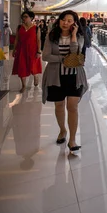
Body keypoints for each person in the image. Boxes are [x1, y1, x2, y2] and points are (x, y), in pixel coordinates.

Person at [42, 10, 89, 152]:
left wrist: (73, 36)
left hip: (74, 77)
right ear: (59, 21)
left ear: (74, 23)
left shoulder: (79, 36)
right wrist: (63, 59)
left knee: (73, 107)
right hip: (56, 76)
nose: (65, 23)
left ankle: (72, 140)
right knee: (59, 106)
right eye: (63, 19)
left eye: (69, 20)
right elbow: (45, 56)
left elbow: (75, 54)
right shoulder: (52, 36)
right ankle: (63, 130)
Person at [12, 10, 42, 93]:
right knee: (22, 67)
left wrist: (39, 51)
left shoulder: (36, 28)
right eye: (23, 17)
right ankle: (24, 85)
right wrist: (14, 50)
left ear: (31, 18)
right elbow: (17, 39)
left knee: (33, 67)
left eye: (26, 17)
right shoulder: (19, 27)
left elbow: (38, 40)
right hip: (21, 50)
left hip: (32, 50)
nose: (23, 18)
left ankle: (36, 76)